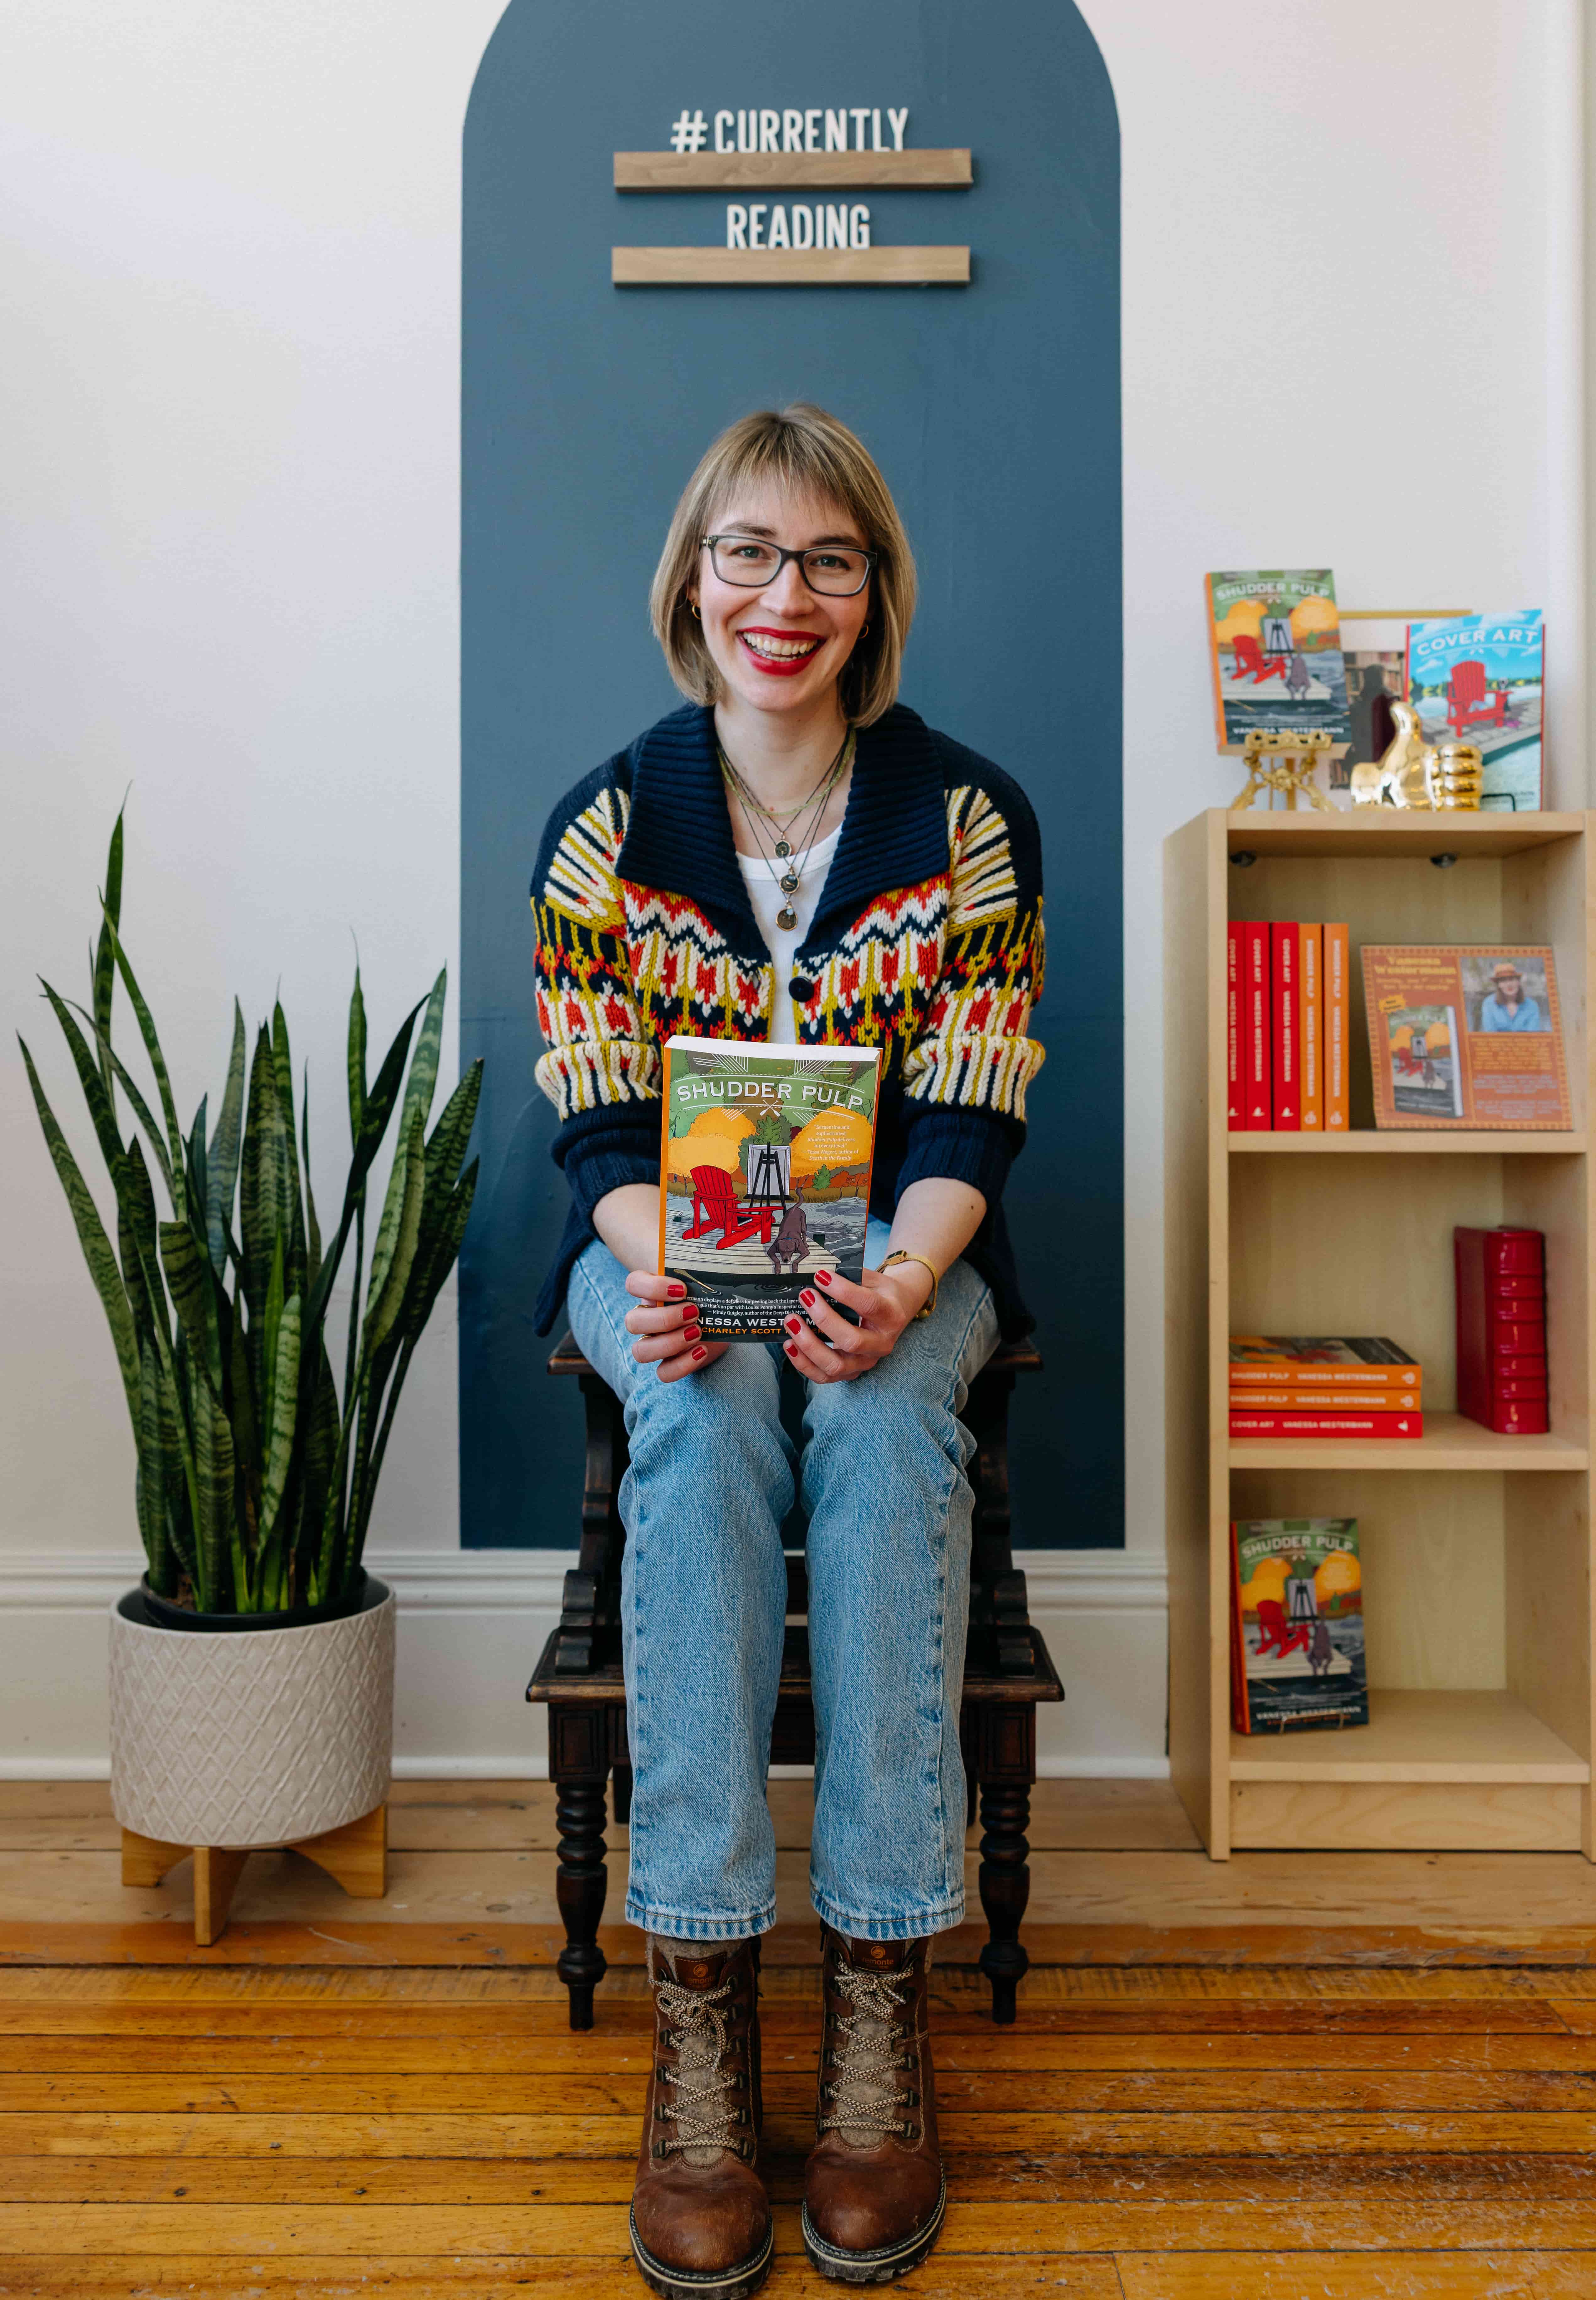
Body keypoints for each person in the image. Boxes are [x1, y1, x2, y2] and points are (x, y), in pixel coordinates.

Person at [529, 404, 1045, 2297]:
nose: (782, 593)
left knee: (890, 1406)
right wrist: (678, 1272)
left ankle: (882, 1992)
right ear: (692, 578)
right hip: (650, 1250)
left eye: (828, 558)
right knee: (701, 1388)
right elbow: (594, 1127)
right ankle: (697, 1998)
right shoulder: (606, 823)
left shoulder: (967, 819)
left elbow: (968, 1117)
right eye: (746, 551)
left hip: (904, 1257)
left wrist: (898, 1285)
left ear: (875, 593)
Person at [1480, 961, 1542, 1032]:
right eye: (1504, 981)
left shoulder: (1532, 1005)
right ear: (1499, 985)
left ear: (1518, 982)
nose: (1509, 984)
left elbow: (1533, 1034)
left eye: (1512, 979)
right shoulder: (1489, 1004)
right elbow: (1490, 1033)